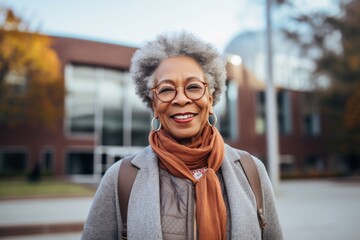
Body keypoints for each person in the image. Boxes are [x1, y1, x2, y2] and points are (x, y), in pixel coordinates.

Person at [82, 31, 283, 240]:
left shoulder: (251, 171)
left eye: (194, 87)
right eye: (167, 90)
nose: (180, 99)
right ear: (153, 103)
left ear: (211, 97)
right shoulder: (120, 178)